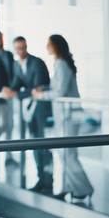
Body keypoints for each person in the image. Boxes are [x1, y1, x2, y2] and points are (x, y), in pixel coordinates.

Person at [32, 34, 93, 202]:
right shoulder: (60, 64)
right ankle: (69, 187)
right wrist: (44, 89)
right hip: (64, 116)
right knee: (64, 153)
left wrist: (41, 95)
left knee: (68, 154)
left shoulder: (61, 64)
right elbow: (58, 88)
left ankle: (84, 188)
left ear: (56, 46)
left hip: (68, 116)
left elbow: (59, 92)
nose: (46, 47)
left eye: (48, 44)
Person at [1, 36, 53, 194]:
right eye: (18, 48)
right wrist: (8, 89)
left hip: (41, 109)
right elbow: (17, 83)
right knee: (35, 142)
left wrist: (15, 93)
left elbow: (36, 88)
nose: (21, 51)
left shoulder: (37, 63)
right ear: (14, 49)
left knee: (41, 143)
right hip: (30, 110)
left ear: (26, 47)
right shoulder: (17, 65)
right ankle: (41, 177)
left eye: (23, 48)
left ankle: (47, 178)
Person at [0, 30, 17, 166]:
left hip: (10, 96)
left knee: (10, 125)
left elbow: (14, 75)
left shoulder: (8, 55)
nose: (0, 40)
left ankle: (8, 156)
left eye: (1, 37)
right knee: (2, 125)